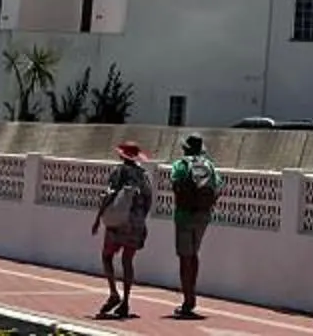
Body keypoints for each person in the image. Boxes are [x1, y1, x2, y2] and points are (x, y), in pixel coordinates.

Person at [91, 140, 155, 318]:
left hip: (119, 222)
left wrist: (98, 218)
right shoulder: (144, 175)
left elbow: (110, 195)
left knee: (107, 256)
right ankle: (126, 301)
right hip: (137, 222)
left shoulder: (119, 171)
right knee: (128, 261)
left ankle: (113, 293)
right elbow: (148, 200)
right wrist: (140, 220)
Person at [163, 134, 220, 320]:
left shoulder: (181, 165)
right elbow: (218, 186)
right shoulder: (209, 166)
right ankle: (191, 296)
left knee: (184, 258)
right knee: (194, 255)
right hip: (203, 215)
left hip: (184, 215)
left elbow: (175, 184)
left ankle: (188, 300)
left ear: (186, 149)